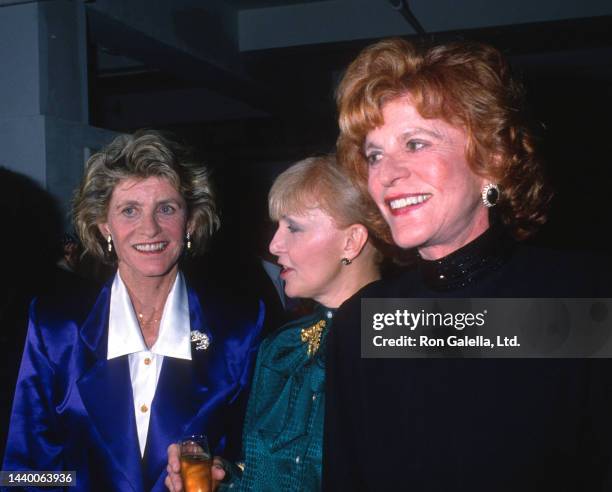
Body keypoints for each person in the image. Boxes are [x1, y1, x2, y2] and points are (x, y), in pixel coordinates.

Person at [323, 38, 612, 490]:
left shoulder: (586, 294)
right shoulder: (361, 322)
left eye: (415, 143)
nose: (387, 173)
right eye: (375, 154)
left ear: (491, 160)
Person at [3, 131, 264, 492]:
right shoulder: (55, 327)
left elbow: (263, 462)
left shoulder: (241, 329)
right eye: (129, 210)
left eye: (167, 209)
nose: (150, 228)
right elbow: (23, 473)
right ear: (103, 225)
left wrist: (226, 476)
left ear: (190, 222)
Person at [165, 155, 385, 491]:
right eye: (277, 226)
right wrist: (223, 479)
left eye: (293, 227)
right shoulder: (284, 347)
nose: (274, 245)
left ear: (351, 241)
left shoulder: (415, 332)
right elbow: (268, 476)